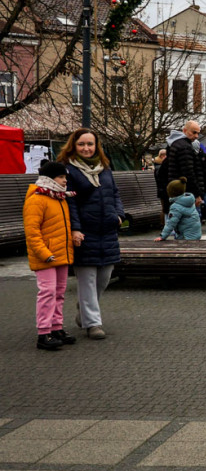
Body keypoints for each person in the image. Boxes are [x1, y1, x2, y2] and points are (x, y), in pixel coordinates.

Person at [59, 128, 123, 341]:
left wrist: (119, 214)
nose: (86, 148)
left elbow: (114, 193)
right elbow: (71, 203)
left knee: (104, 278)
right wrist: (75, 228)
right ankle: (93, 323)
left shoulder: (104, 167)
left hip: (107, 230)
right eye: (81, 144)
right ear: (73, 146)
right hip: (85, 231)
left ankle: (84, 310)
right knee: (87, 280)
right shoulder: (68, 170)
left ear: (96, 146)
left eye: (90, 144)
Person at [24, 161, 76, 351]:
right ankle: (43, 332)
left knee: (59, 292)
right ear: (50, 179)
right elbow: (32, 232)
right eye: (61, 177)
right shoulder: (37, 199)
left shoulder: (59, 198)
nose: (64, 181)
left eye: (65, 177)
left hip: (60, 253)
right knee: (47, 292)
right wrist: (45, 254)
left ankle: (56, 327)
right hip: (46, 256)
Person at [165, 121, 206, 213]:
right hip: (186, 192)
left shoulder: (175, 144)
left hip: (178, 190)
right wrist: (197, 194)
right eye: (194, 132)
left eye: (198, 133)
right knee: (190, 222)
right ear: (185, 130)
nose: (196, 136)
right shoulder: (185, 147)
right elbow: (189, 172)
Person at [155, 177, 202, 241]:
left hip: (185, 236)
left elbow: (170, 223)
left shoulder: (175, 207)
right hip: (195, 234)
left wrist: (162, 236)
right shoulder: (189, 201)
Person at [153, 148, 169, 216]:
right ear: (162, 156)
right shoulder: (160, 167)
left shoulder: (158, 166)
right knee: (165, 209)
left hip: (162, 190)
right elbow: (162, 179)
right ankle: (164, 224)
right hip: (163, 191)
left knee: (165, 209)